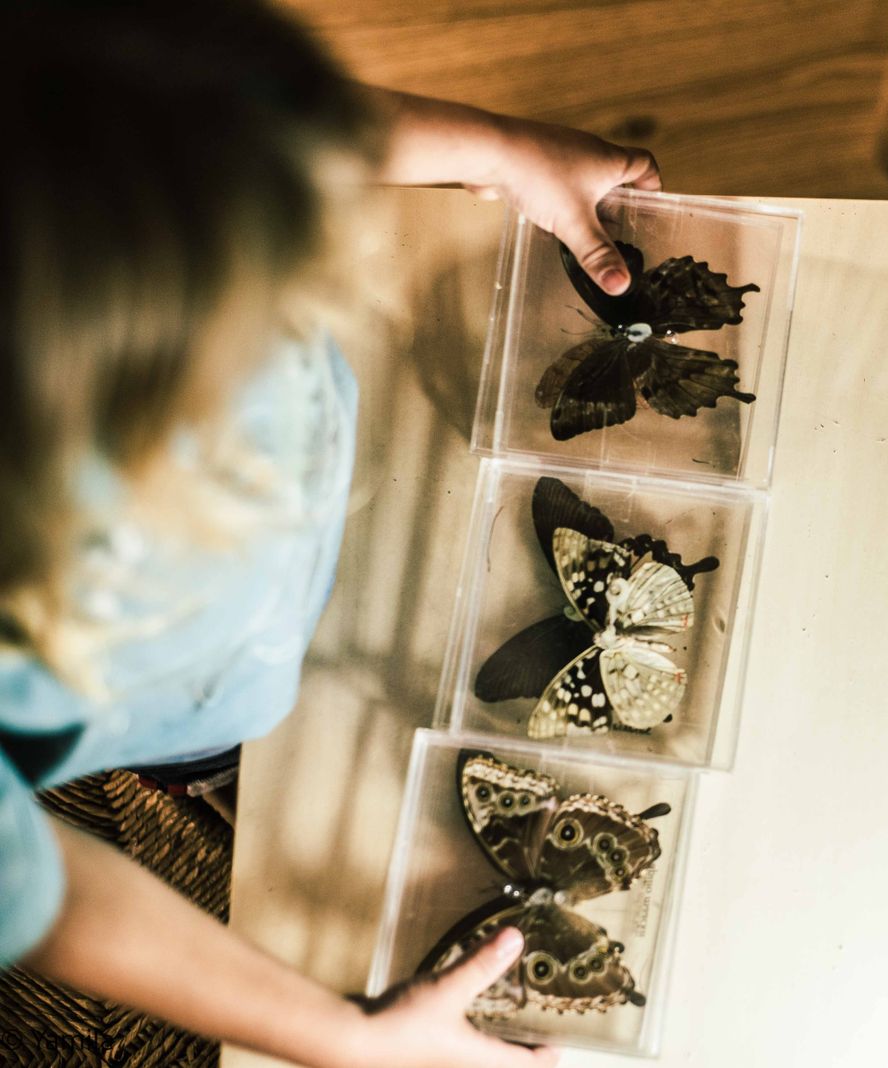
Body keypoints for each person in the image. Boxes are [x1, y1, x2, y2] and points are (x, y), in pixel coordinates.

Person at [1, 2, 661, 1064]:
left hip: (283, 589)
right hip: (179, 709)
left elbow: (255, 121)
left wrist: (494, 150)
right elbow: (32, 893)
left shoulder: (105, 122)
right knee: (224, 766)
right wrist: (343, 1039)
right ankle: (207, 774)